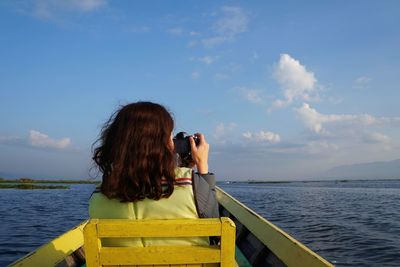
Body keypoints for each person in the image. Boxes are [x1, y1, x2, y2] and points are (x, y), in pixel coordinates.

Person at [89, 101, 219, 247]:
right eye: (170, 137)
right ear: (164, 145)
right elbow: (215, 228)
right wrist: (202, 166)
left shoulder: (99, 194)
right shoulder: (191, 184)